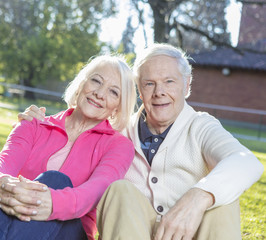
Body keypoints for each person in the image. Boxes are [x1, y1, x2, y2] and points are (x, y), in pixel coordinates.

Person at [19, 43, 264, 240]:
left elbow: (246, 162)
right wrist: (40, 123)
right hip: (134, 232)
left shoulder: (201, 126)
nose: (159, 92)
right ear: (138, 90)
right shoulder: (117, 132)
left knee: (223, 200)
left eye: (169, 81)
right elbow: (77, 130)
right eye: (149, 84)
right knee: (120, 189)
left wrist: (199, 197)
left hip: (192, 232)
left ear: (186, 85)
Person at [0, 54, 137, 240]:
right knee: (1, 195)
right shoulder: (33, 124)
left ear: (118, 106)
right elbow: (2, 163)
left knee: (55, 180)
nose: (100, 94)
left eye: (113, 92)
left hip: (70, 233)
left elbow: (95, 191)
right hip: (15, 218)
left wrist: (52, 203)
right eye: (96, 81)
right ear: (81, 84)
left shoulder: (119, 146)